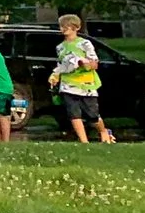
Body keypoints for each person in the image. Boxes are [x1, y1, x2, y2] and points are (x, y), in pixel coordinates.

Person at [49, 14, 115, 145]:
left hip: (86, 85)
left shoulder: (84, 44)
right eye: (62, 26)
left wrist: (85, 64)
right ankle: (84, 142)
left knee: (92, 115)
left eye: (68, 26)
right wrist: (55, 75)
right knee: (73, 113)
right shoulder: (60, 47)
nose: (64, 29)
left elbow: (94, 63)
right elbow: (61, 65)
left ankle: (103, 131)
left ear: (76, 27)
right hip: (68, 85)